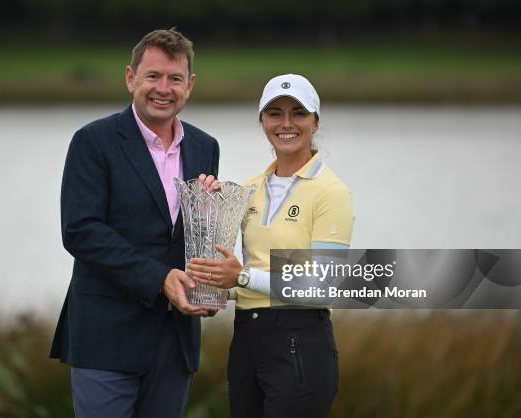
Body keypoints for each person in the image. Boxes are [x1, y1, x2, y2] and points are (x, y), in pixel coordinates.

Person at [49, 29, 220, 418]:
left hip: (176, 340)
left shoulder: (205, 146)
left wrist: (209, 267)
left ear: (189, 85)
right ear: (131, 78)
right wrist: (160, 278)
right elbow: (81, 230)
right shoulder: (93, 141)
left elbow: (193, 240)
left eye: (175, 78)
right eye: (153, 76)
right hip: (106, 336)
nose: (164, 88)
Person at [187, 74, 354, 418]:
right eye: (275, 113)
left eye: (299, 113)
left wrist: (241, 278)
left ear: (315, 122)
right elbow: (240, 277)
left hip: (301, 343)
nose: (286, 124)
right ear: (262, 120)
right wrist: (216, 284)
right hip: (248, 338)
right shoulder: (249, 189)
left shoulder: (330, 191)